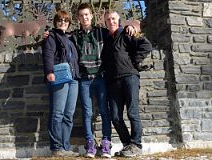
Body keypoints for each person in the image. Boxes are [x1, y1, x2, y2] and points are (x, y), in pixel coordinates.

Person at [43, 3, 140, 158]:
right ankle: (89, 144)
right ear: (78, 18)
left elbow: (117, 28)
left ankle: (106, 144)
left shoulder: (102, 32)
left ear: (92, 16)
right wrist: (49, 33)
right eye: (81, 16)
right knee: (87, 112)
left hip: (101, 78)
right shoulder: (73, 36)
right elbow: (58, 37)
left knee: (104, 111)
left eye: (87, 15)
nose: (84, 18)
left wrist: (132, 26)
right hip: (83, 80)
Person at [101, 10, 152, 157]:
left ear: (119, 20)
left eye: (114, 19)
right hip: (113, 82)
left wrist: (135, 60)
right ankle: (127, 145)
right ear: (105, 23)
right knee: (116, 117)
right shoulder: (107, 40)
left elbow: (146, 45)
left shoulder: (127, 33)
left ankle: (136, 144)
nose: (111, 21)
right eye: (108, 19)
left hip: (129, 77)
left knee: (132, 112)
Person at [42, 10, 80, 157]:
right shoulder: (51, 35)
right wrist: (49, 72)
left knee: (68, 115)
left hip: (73, 78)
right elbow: (48, 54)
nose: (63, 22)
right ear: (55, 22)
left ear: (69, 23)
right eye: (60, 20)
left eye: (65, 20)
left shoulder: (71, 38)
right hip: (59, 76)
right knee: (57, 113)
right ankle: (56, 148)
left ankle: (65, 147)